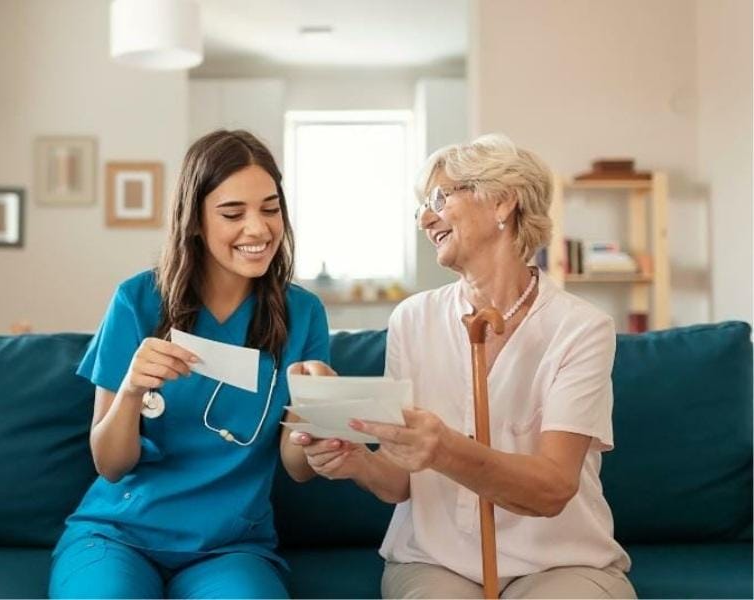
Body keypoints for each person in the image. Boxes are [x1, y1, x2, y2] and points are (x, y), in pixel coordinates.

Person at [290, 134, 636, 598]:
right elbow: (399, 483)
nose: (425, 218)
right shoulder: (412, 319)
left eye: (438, 198)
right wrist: (357, 461)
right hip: (436, 562)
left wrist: (445, 449)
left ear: (503, 202)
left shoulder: (580, 328)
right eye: (421, 208)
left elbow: (553, 488)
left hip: (559, 562)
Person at [49, 130, 329, 599]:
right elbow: (110, 464)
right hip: (119, 534)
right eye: (232, 213)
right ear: (195, 220)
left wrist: (320, 413)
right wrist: (133, 390)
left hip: (230, 547)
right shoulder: (137, 301)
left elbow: (298, 469)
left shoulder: (303, 314)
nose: (258, 229)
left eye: (270, 207)